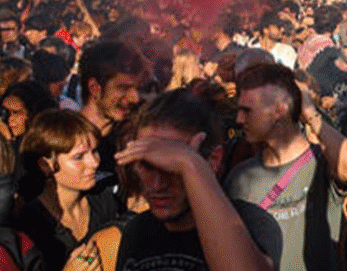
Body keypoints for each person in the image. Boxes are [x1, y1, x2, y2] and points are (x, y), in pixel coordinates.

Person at [113, 88, 282, 271]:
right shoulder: (137, 232)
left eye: (172, 168)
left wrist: (190, 164)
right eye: (146, 166)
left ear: (214, 159)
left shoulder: (250, 223)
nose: (157, 184)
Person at [224, 63, 347, 271]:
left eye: (247, 110)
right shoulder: (239, 178)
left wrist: (310, 114)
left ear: (279, 110)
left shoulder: (323, 163)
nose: (239, 119)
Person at [17, 109, 121, 271]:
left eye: (94, 151)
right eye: (79, 157)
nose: (94, 162)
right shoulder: (28, 224)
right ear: (45, 165)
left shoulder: (105, 200)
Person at [78, 42, 145, 182]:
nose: (135, 98)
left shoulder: (133, 141)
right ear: (94, 88)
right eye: (123, 88)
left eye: (137, 88)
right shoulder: (59, 139)